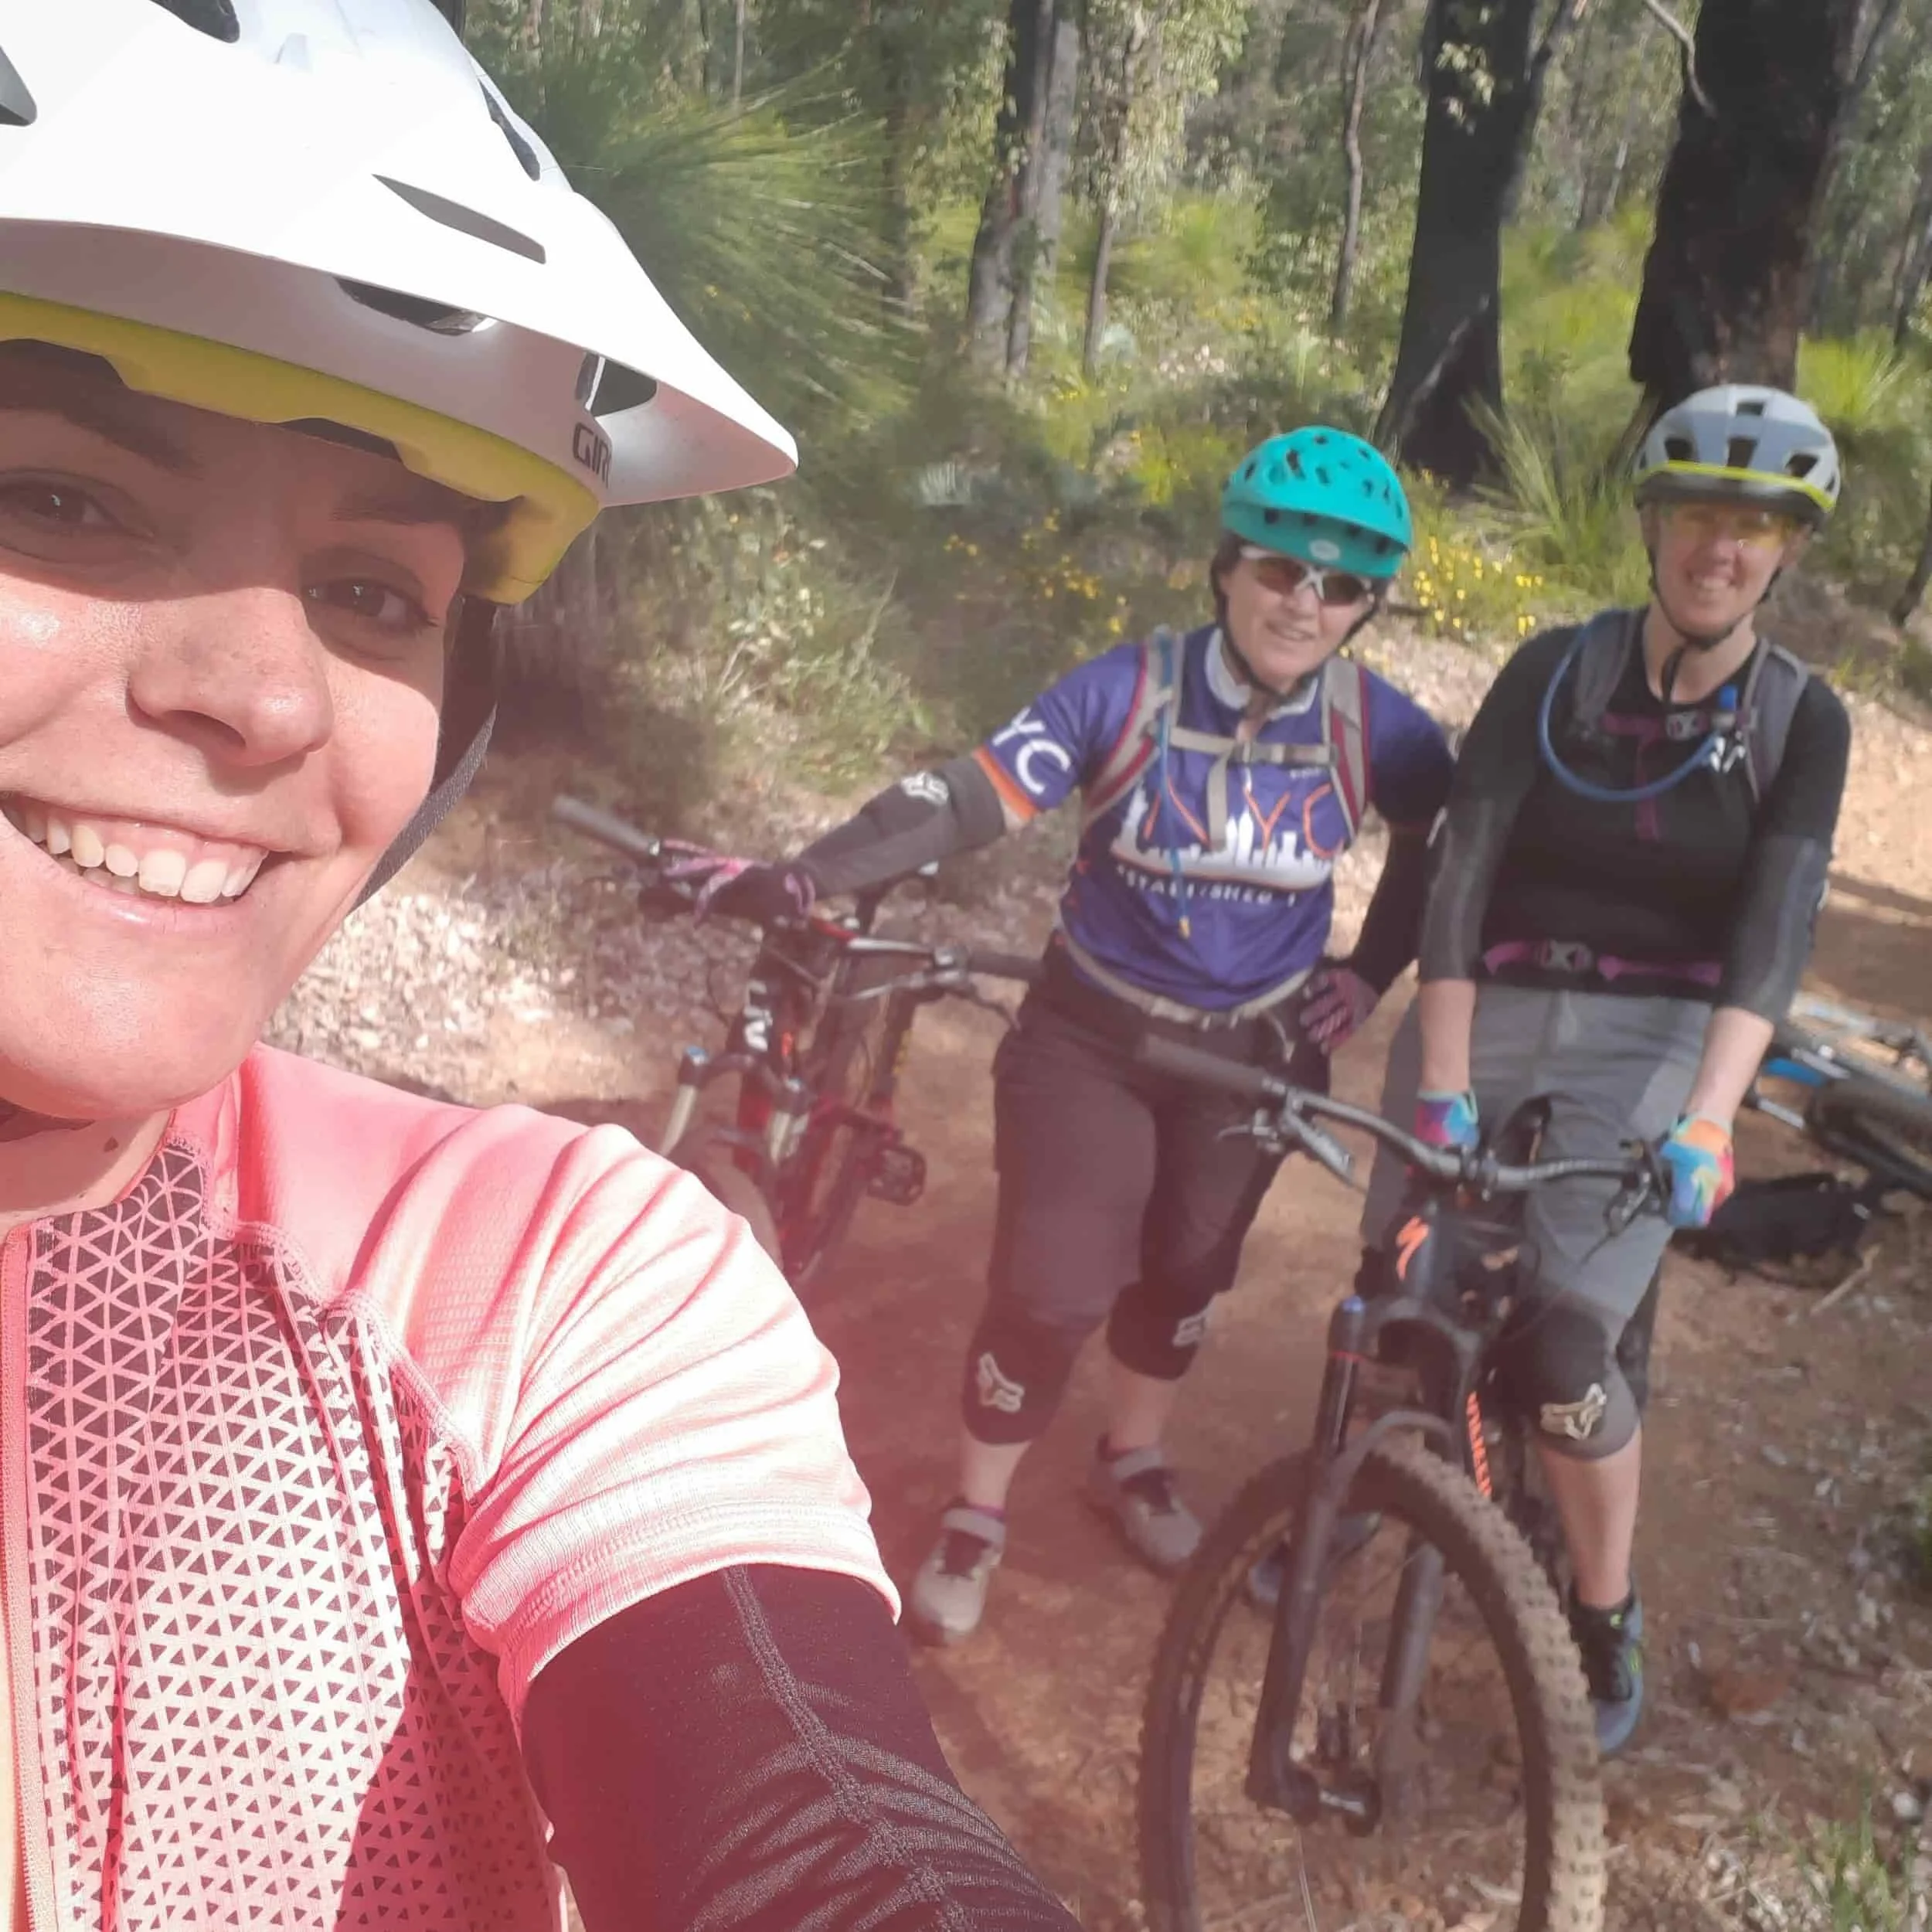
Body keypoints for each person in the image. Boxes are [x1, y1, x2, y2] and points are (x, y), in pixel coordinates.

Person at [0, 5, 1087, 1928]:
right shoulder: (1149, 682)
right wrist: (829, 858)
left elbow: (813, 1831)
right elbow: (997, 773)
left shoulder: (539, 1277)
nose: (269, 698)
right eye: (62, 498)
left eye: (373, 596)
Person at [701, 431, 1456, 1643]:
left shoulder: (1380, 729)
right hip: (1091, 1037)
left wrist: (1371, 973)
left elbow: (1443, 841)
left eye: (1344, 585)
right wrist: (811, 877)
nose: (1304, 603)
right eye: (1279, 570)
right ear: (1227, 566)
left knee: (1189, 1274)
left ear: (1369, 604)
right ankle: (977, 1510)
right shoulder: (1130, 691)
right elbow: (968, 798)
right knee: (1051, 1294)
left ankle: (1133, 1455)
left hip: (1251, 1053)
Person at [1362, 384, 1853, 1754]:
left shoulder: (1801, 721)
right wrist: (1445, 1082)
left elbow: (1774, 934)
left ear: (1787, 553)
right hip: (1493, 995)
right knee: (1405, 1276)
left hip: (1661, 1040)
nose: (1723, 549)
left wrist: (1711, 1120)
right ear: (1654, 524)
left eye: (1758, 528)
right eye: (1701, 513)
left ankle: (1598, 1604)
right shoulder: (1555, 670)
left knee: (1568, 1341)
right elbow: (1461, 872)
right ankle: (1362, 1502)